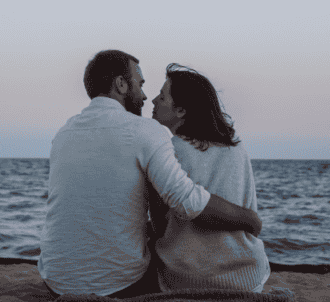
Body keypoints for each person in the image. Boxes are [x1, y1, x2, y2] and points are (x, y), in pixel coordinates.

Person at [39, 50, 263, 298]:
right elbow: (186, 201)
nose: (146, 97)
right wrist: (249, 219)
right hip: (120, 287)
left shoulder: (63, 134)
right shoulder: (146, 131)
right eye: (141, 84)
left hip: (54, 279)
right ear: (121, 84)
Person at [149, 63, 271, 292]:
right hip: (246, 275)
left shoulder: (169, 150)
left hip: (187, 278)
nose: (153, 101)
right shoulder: (236, 147)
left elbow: (159, 223)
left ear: (181, 110)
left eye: (162, 96)